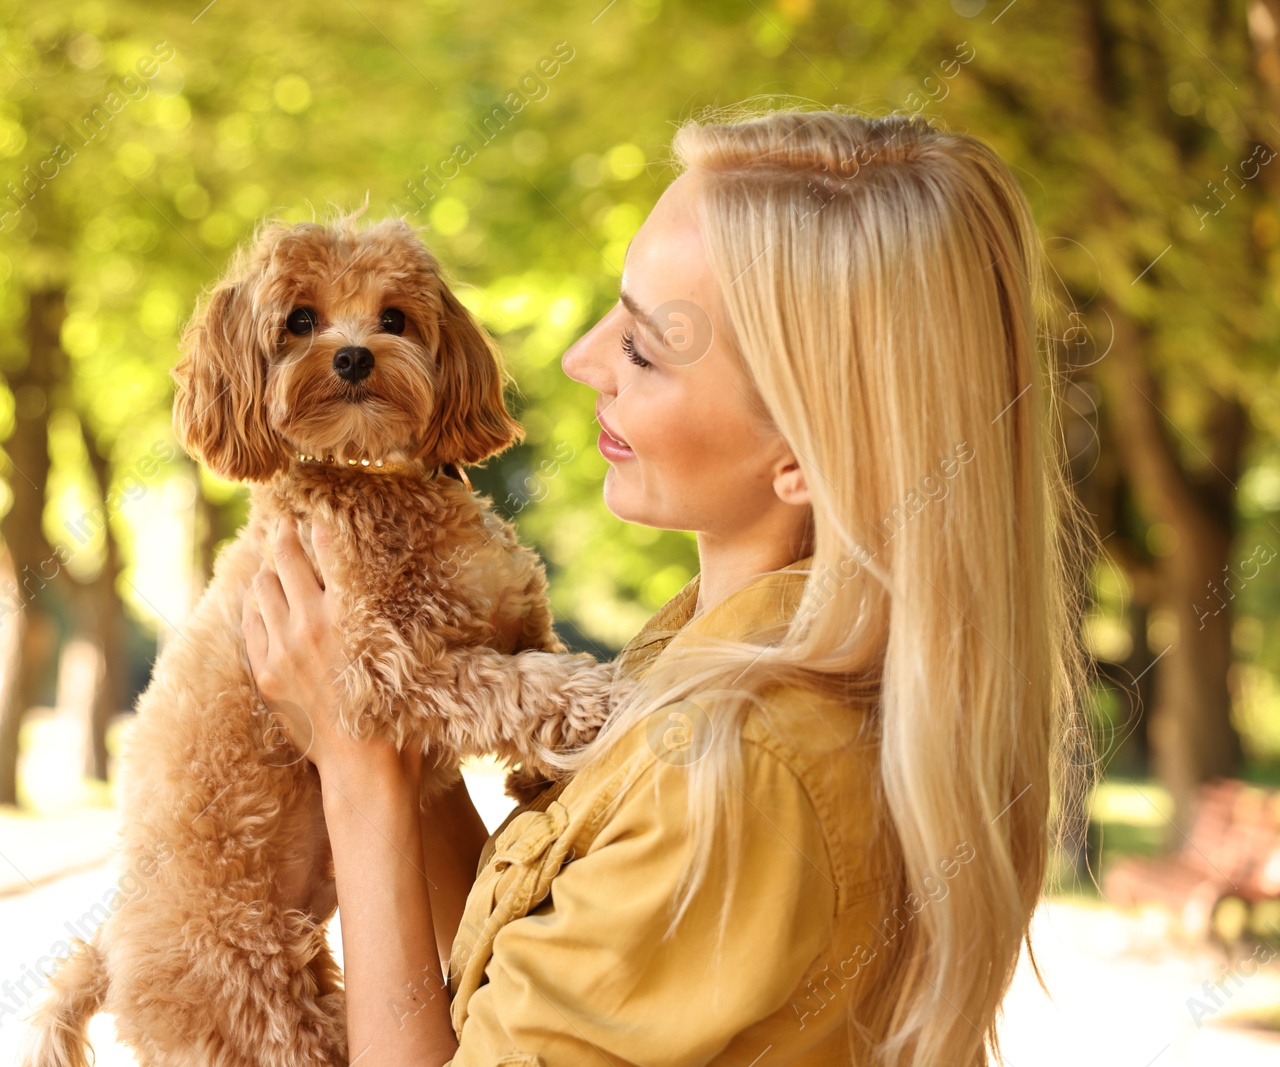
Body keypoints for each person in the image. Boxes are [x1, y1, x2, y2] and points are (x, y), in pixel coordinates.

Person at [241, 107, 1088, 1067]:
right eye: (617, 309)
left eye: (646, 347)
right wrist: (392, 709)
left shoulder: (738, 774)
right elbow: (542, 971)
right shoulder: (709, 658)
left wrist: (356, 770)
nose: (580, 360)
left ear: (806, 456)